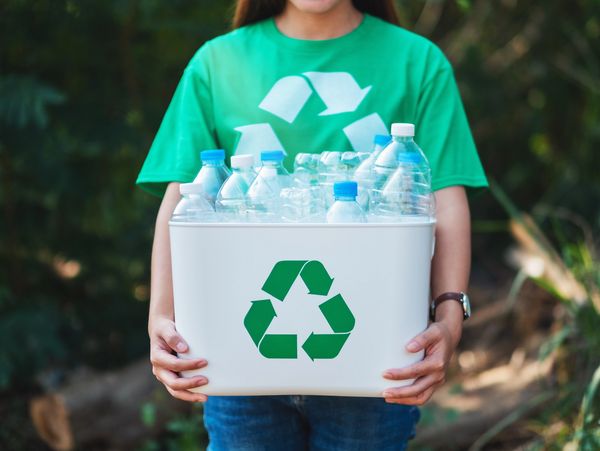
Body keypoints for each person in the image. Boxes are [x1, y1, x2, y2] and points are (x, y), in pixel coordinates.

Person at [136, 0, 487, 449]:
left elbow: (447, 199)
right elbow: (183, 201)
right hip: (237, 351)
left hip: (373, 359)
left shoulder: (417, 61)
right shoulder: (216, 63)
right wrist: (160, 319)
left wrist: (450, 317)